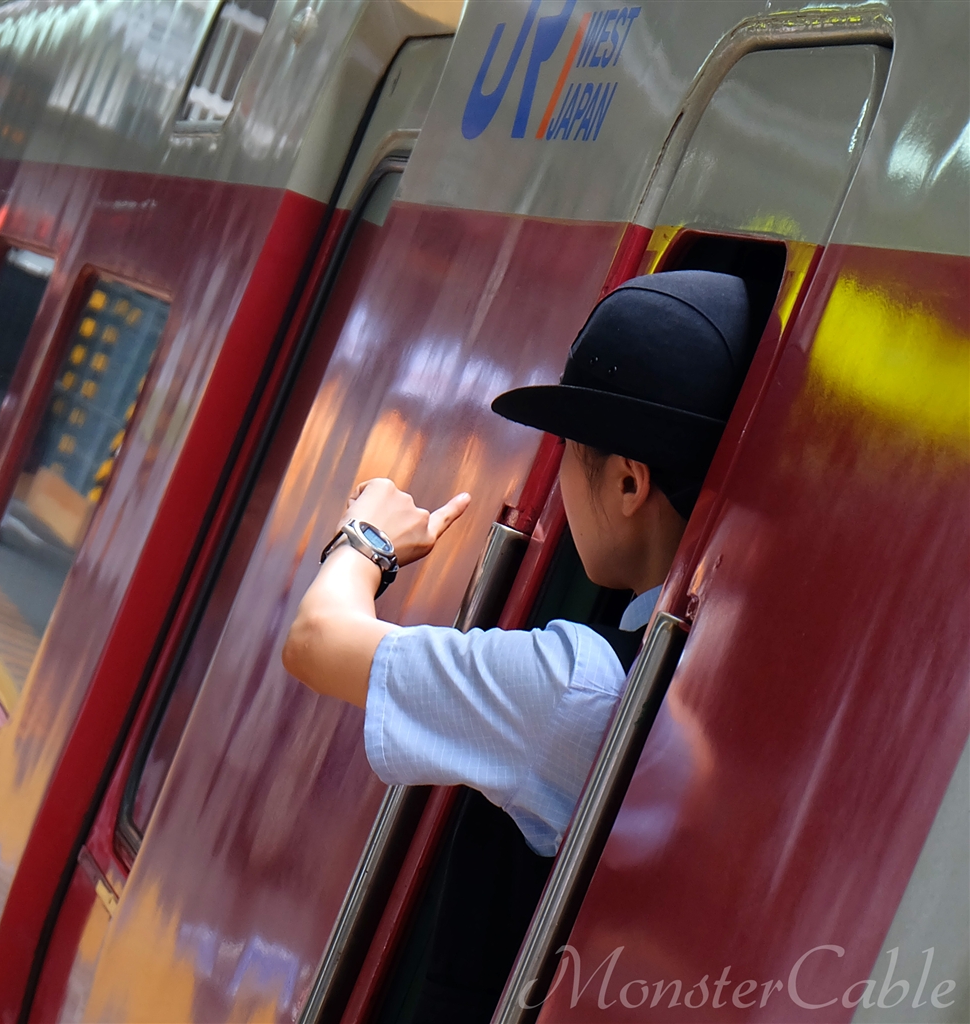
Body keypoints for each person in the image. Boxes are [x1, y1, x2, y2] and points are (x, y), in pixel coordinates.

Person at [282, 269, 750, 1019]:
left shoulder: (576, 689)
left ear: (629, 485)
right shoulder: (724, 682)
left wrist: (368, 538)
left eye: (568, 448)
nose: (560, 474)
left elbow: (313, 641)